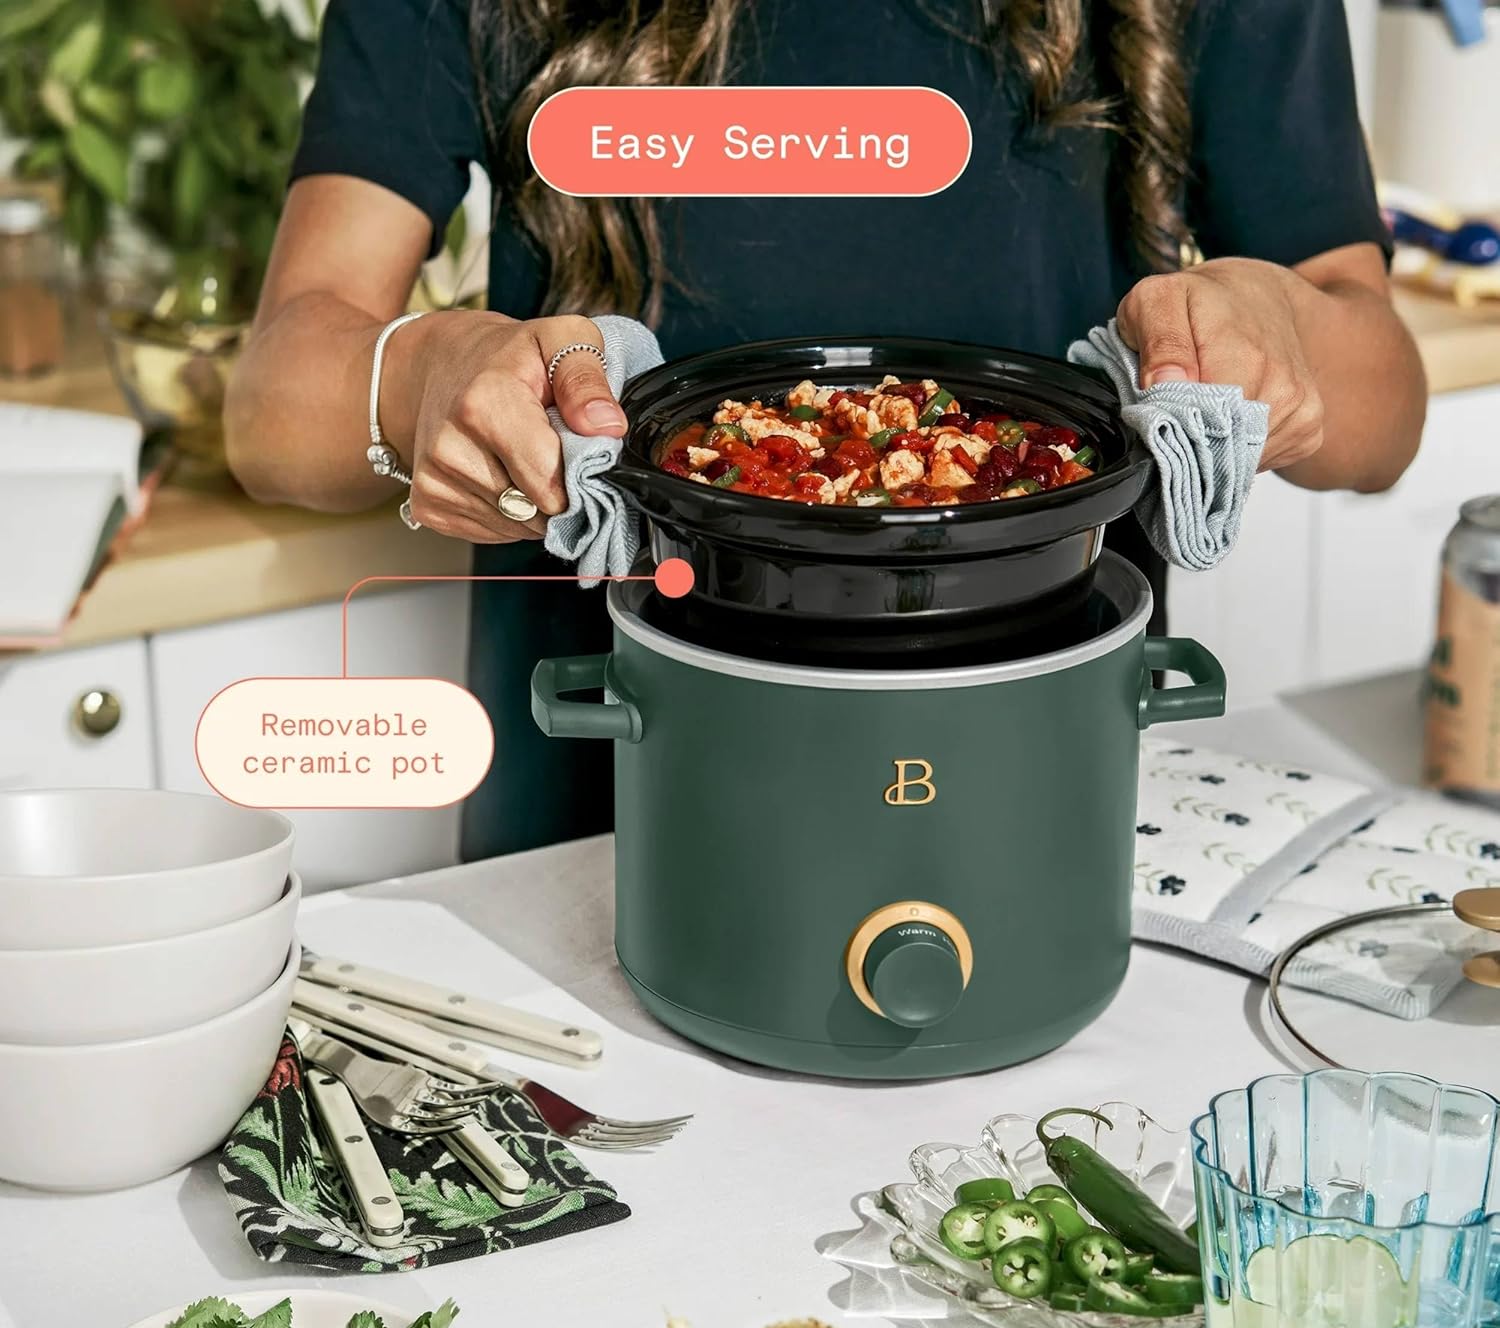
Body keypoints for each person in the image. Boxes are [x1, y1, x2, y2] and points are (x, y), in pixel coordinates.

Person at [225, 0, 1426, 861]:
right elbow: (273, 410)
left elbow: (1385, 414)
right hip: (605, 815)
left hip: (1035, 791)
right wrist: (420, 373)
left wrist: (1282, 329)